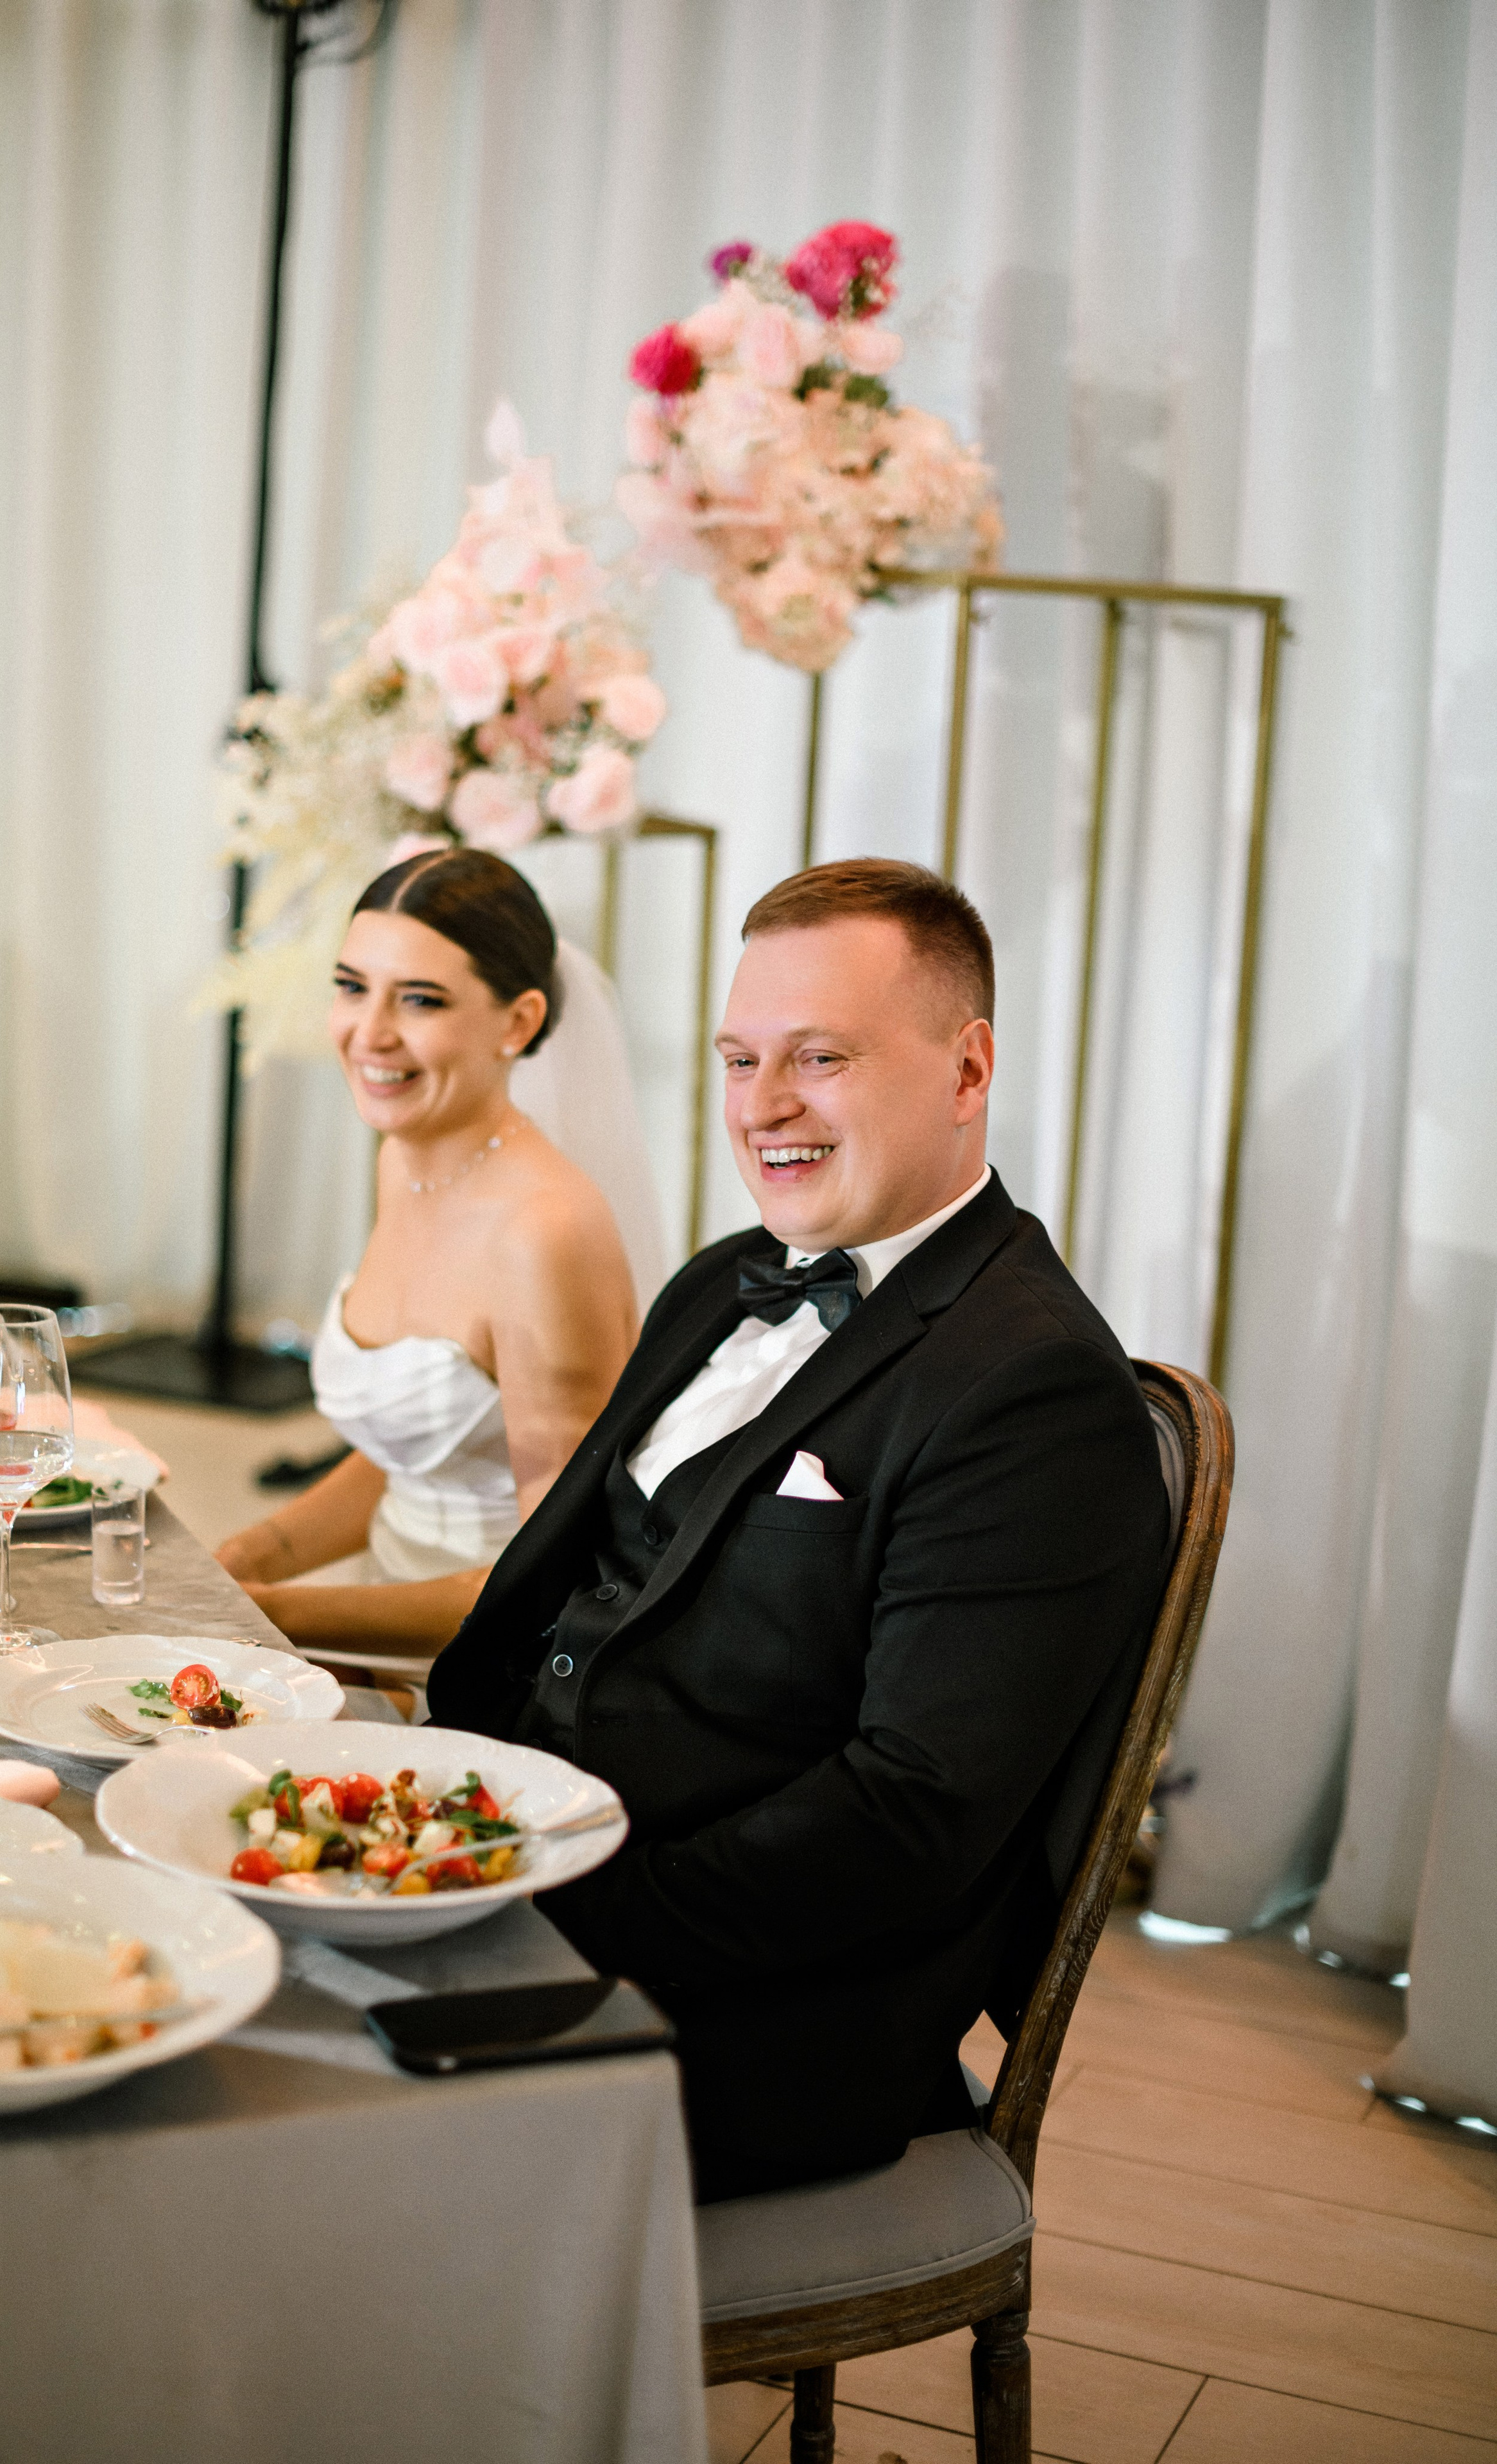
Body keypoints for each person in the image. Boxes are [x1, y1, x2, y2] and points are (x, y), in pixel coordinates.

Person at [427, 857, 1171, 2200]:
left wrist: (547, 1912)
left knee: (258, 2110)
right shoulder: (724, 1282)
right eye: (736, 1058)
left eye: (818, 1058)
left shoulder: (1032, 1389)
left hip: (737, 2017)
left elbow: (904, 1817)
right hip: (516, 1862)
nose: (762, 1106)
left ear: (965, 1070)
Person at [217, 849, 642, 1661]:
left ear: (517, 1023)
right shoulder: (405, 1160)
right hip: (382, 1613)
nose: (370, 1034)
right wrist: (247, 1559)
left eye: (420, 1000)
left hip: (482, 1676)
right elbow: (413, 1454)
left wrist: (281, 1617)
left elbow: (559, 1580)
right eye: (351, 987)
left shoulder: (543, 1234)